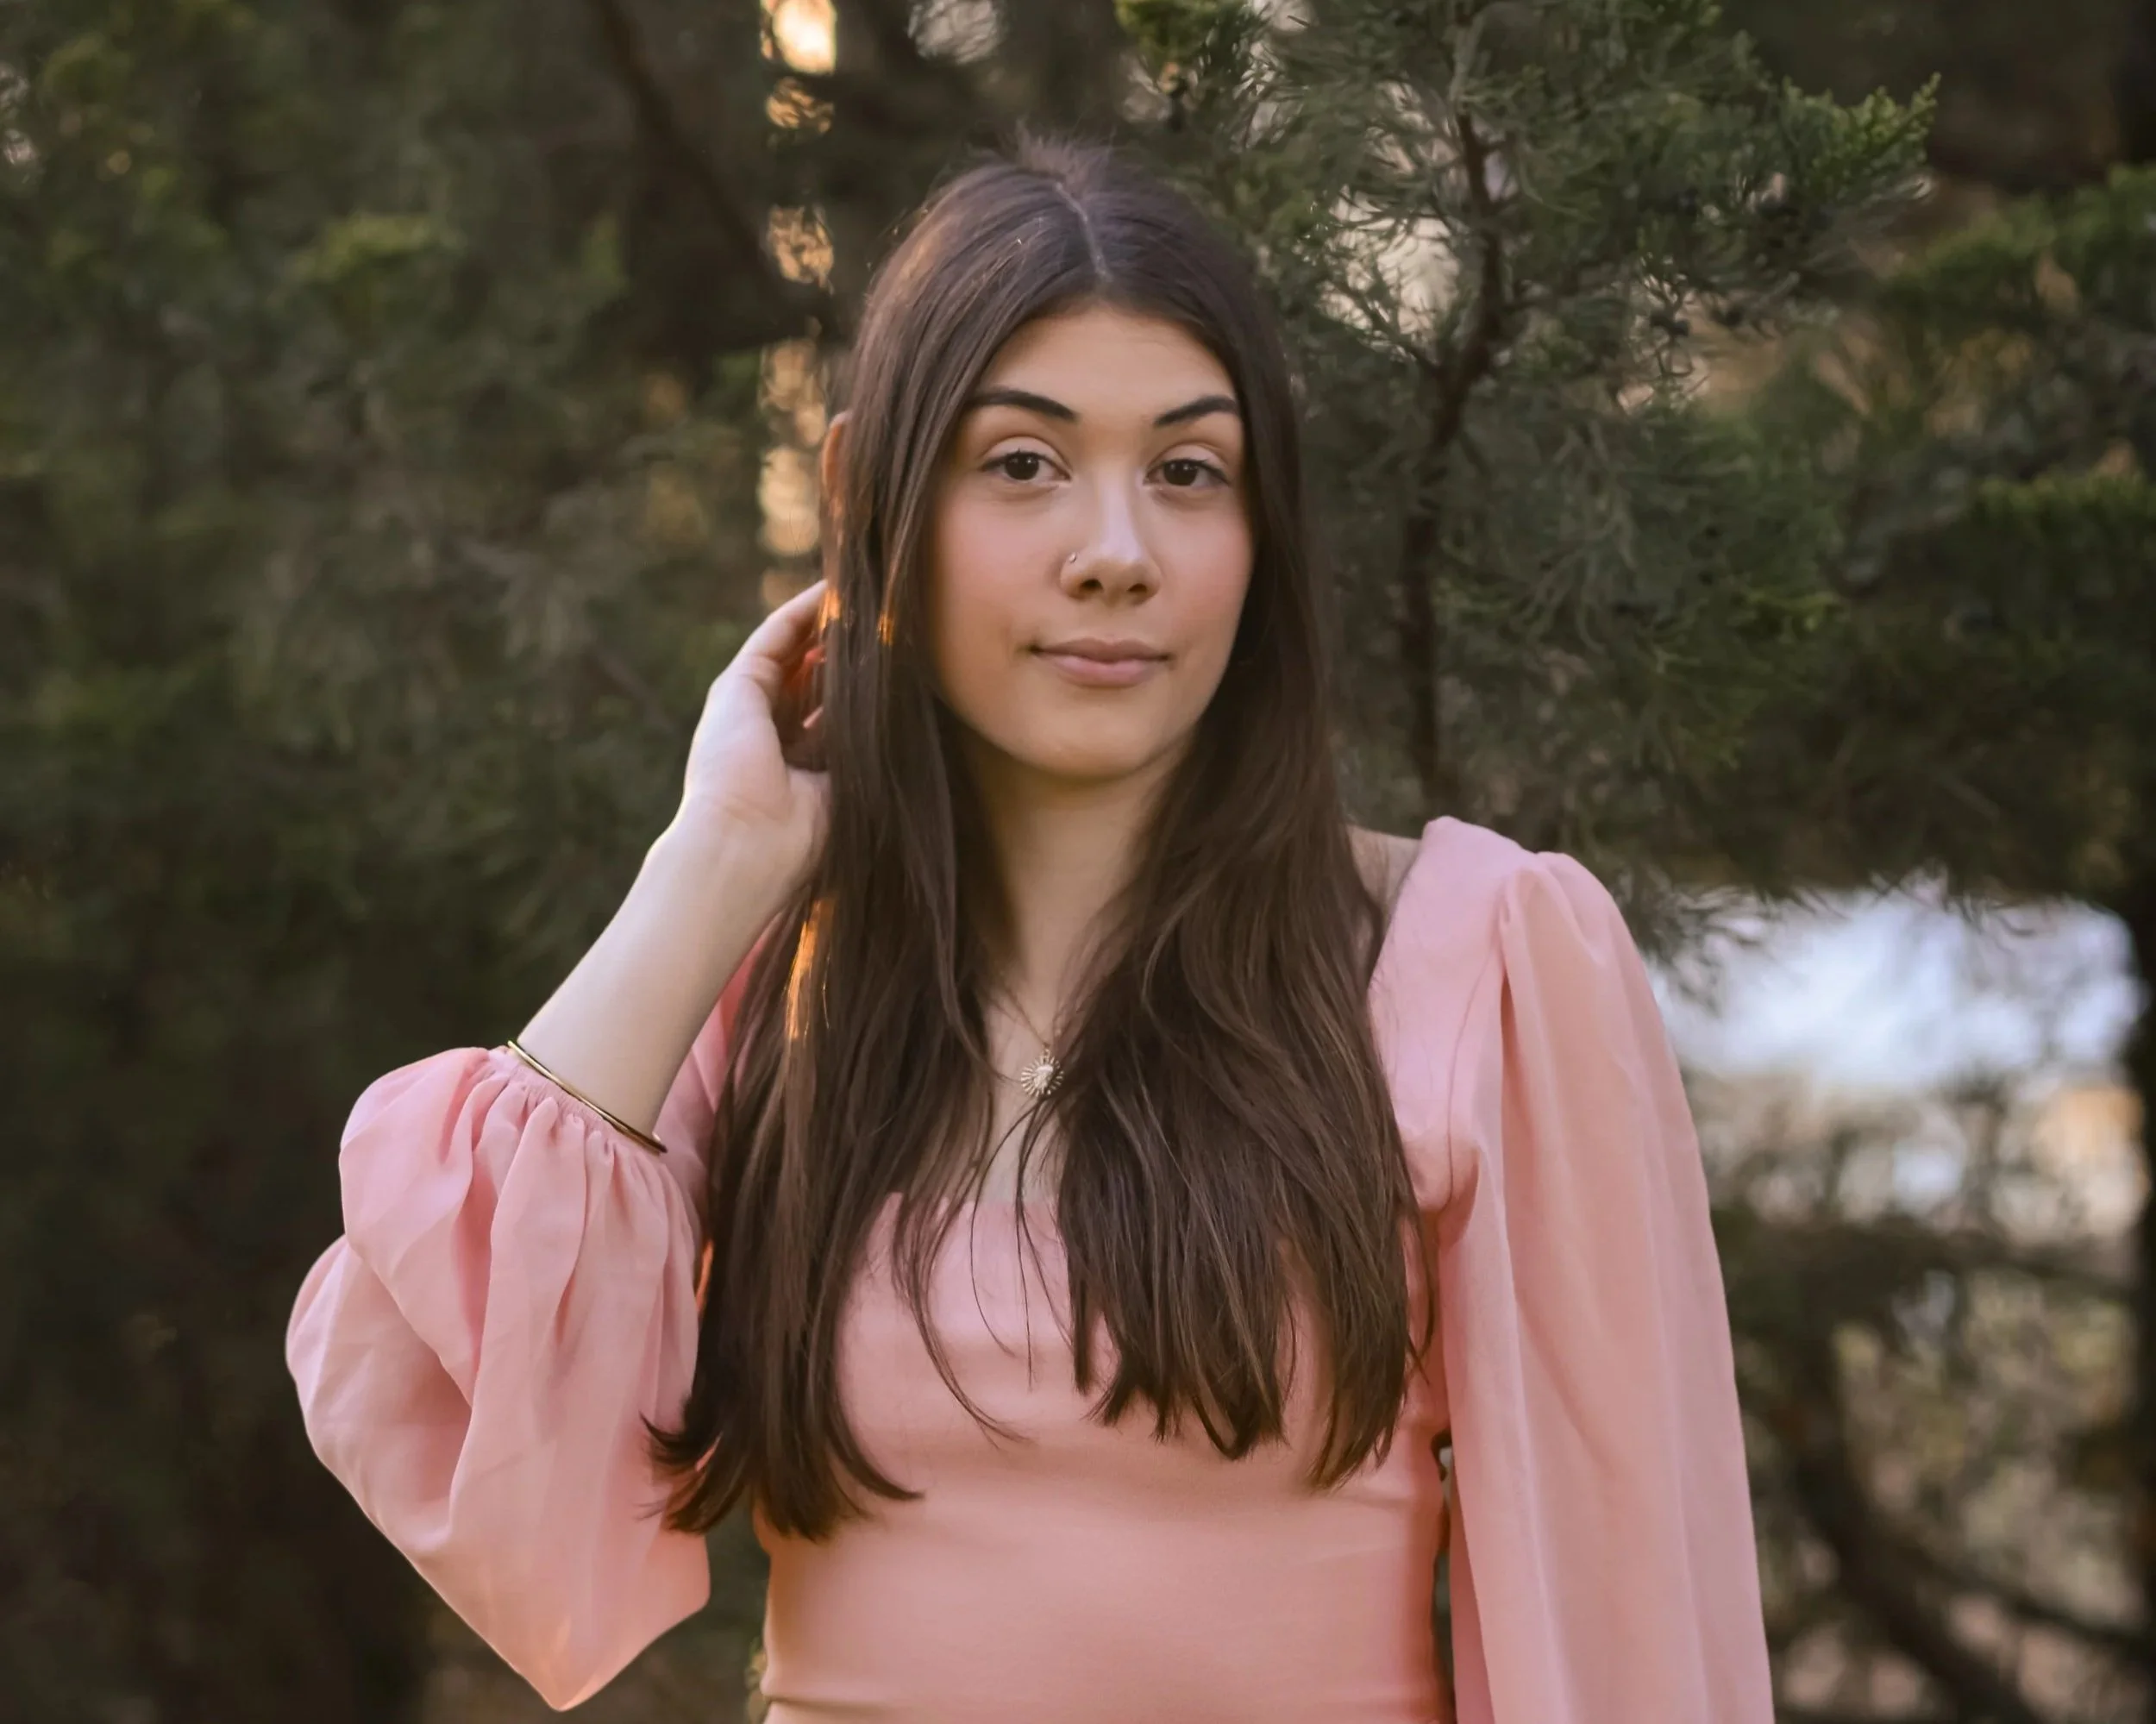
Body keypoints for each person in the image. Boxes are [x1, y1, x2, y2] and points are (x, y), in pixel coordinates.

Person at [285, 136, 1774, 1723]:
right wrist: (713, 862)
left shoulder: (1475, 960)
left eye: (1188, 472)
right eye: (1024, 465)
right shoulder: (773, 987)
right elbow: (454, 1428)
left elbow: (1623, 1647)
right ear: (875, 499)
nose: (1115, 551)